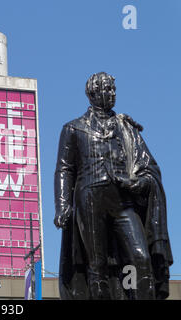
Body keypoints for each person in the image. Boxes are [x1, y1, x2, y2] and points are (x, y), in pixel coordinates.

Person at [54, 72, 173, 299]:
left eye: (113, 90)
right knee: (96, 263)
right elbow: (64, 169)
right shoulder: (73, 128)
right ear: (93, 93)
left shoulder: (127, 128)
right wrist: (62, 206)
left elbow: (149, 166)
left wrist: (138, 183)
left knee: (141, 257)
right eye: (107, 89)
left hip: (123, 201)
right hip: (89, 198)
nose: (112, 94)